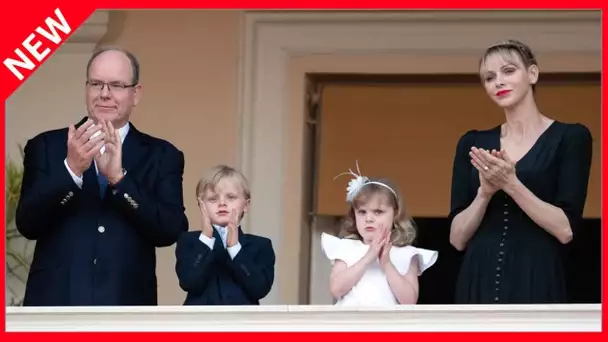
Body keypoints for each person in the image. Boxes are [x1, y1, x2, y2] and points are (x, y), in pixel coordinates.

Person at [15, 46, 189, 306]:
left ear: (135, 94)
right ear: (87, 88)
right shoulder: (46, 146)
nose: (104, 94)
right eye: (97, 84)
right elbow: (28, 224)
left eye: (116, 85)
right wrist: (71, 171)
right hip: (55, 304)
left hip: (126, 306)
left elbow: (170, 230)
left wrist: (120, 180)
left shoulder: (163, 155)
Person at [448, 39, 593, 304]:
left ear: (533, 74)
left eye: (509, 71)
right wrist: (484, 193)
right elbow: (457, 239)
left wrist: (511, 184)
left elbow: (566, 230)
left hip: (537, 273)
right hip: (478, 274)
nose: (498, 82)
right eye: (489, 77)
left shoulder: (571, 137)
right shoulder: (471, 143)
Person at [321, 162, 438, 306]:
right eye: (362, 212)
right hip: (351, 325)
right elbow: (336, 289)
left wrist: (386, 263)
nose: (369, 219)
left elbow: (409, 301)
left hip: (388, 326)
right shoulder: (346, 247)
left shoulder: (407, 254)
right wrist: (369, 257)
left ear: (395, 214)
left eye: (378, 212)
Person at [175, 165, 275, 305]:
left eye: (231, 197)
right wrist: (206, 240)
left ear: (246, 205)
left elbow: (259, 289)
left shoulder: (261, 245)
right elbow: (188, 281)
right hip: (199, 324)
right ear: (201, 205)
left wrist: (235, 249)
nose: (222, 203)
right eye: (213, 199)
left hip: (242, 324)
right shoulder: (189, 241)